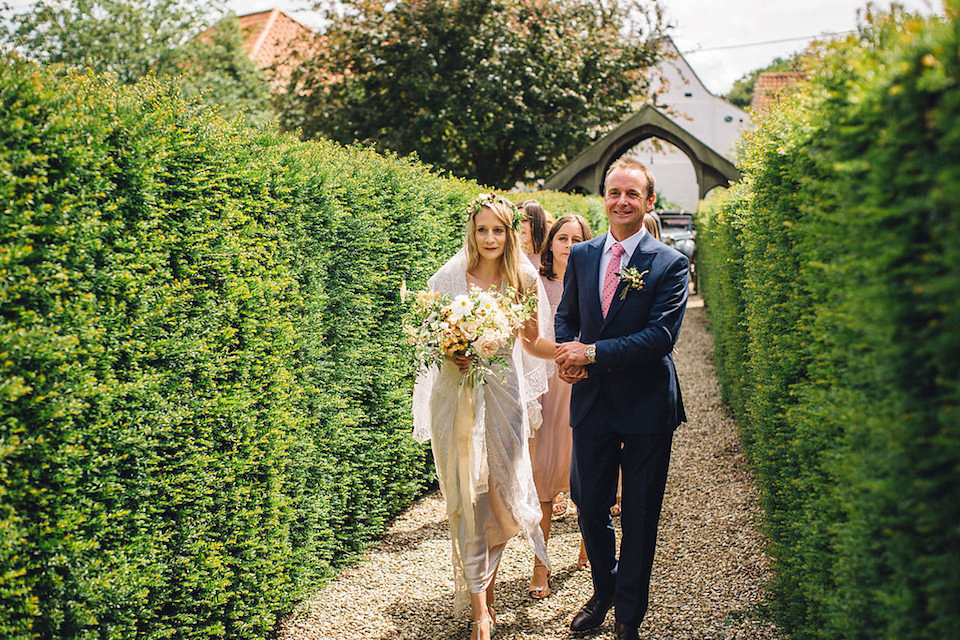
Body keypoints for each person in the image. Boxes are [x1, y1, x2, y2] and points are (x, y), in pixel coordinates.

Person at [412, 193, 558, 640]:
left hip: (505, 398)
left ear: (510, 233)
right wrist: (450, 350)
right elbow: (428, 337)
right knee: (468, 501)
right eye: (482, 229)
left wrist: (579, 354)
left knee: (502, 501)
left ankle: (485, 589)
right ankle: (480, 610)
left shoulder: (524, 278)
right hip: (456, 400)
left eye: (498, 229)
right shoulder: (450, 277)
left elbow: (532, 344)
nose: (490, 237)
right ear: (471, 232)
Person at [555, 157, 689, 640]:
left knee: (639, 514)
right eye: (615, 192)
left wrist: (589, 351)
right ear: (604, 197)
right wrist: (568, 354)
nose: (622, 201)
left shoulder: (670, 263)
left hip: (646, 405)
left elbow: (659, 339)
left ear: (649, 201)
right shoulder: (586, 255)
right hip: (591, 401)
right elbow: (567, 316)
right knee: (589, 505)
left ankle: (629, 616)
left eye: (633, 193)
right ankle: (603, 591)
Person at [527, 214, 593, 599]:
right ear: (550, 243)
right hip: (547, 388)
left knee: (588, 474)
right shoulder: (536, 281)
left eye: (577, 238)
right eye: (562, 238)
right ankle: (541, 566)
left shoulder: (596, 281)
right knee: (544, 481)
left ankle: (589, 550)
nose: (569, 245)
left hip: (586, 383)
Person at [517, 199, 550, 269]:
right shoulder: (508, 257)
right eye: (515, 221)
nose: (518, 225)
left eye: (524, 220)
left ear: (539, 223)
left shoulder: (550, 258)